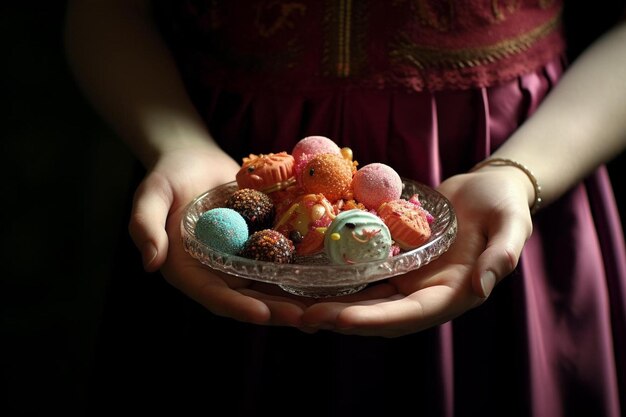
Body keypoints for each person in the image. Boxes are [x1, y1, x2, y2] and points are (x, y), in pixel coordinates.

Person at [65, 1, 626, 416]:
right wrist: (178, 144)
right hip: (214, 144)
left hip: (523, 143)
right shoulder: (261, 191)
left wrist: (520, 172)